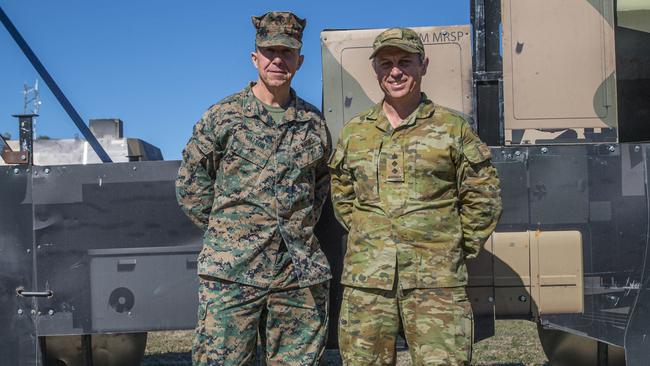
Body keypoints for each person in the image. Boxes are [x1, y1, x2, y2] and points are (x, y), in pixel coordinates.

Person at [328, 27, 502, 365]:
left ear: (423, 65)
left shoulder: (452, 128)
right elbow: (343, 197)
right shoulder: (355, 132)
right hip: (368, 282)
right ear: (376, 70)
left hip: (435, 283)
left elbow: (483, 196)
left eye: (405, 62)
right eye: (386, 63)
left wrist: (449, 247)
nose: (395, 71)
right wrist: (372, 237)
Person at [176, 11, 331, 366]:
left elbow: (319, 187)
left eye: (287, 53)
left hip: (297, 274)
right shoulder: (223, 117)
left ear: (299, 60)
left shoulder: (313, 124)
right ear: (255, 58)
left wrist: (294, 229)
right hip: (232, 274)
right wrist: (231, 234)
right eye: (270, 51)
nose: (278, 59)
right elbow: (191, 186)